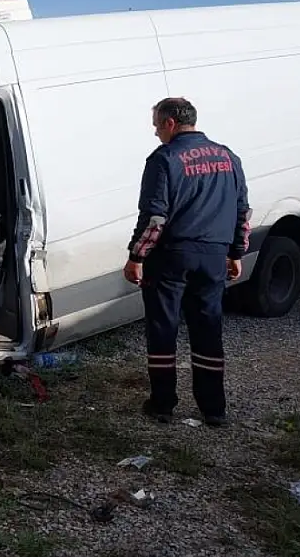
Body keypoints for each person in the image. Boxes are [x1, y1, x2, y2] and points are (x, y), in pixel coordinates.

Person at [123, 97, 251, 427]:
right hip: (213, 257)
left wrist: (136, 256)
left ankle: (163, 404)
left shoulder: (164, 159)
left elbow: (154, 217)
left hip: (171, 256)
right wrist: (236, 253)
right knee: (208, 328)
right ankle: (214, 409)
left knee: (163, 328)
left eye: (156, 125)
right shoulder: (228, 157)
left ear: (170, 123)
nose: (155, 132)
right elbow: (242, 212)